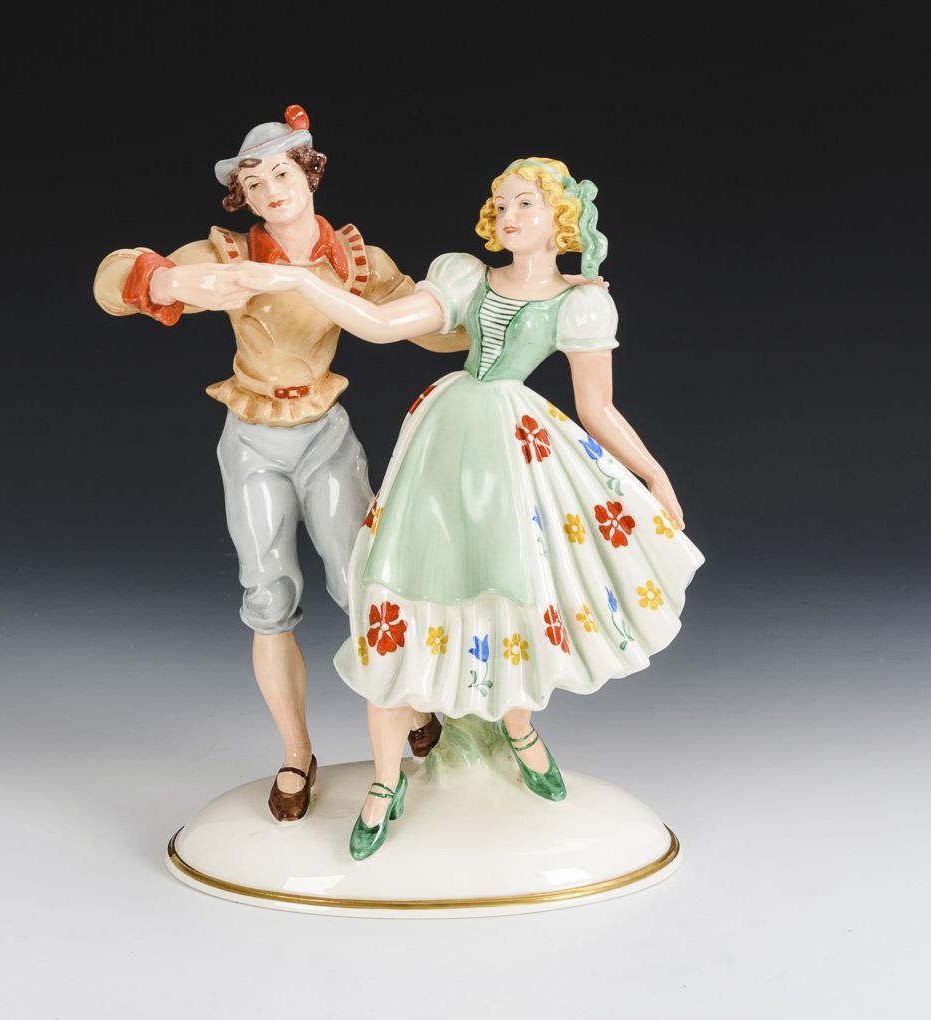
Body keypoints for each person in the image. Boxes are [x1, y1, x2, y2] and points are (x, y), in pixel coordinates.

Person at [236, 156, 704, 858]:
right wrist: (307, 279)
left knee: (505, 591)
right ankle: (386, 779)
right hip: (443, 441)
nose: (509, 216)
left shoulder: (581, 303)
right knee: (399, 589)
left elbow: (598, 408)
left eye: (526, 204)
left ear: (559, 219)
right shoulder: (466, 278)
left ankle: (517, 727)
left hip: (512, 450)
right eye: (501, 204)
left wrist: (655, 475)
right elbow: (380, 324)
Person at [92, 106, 465, 823]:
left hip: (324, 434)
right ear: (244, 198)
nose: (271, 190)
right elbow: (112, 279)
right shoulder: (229, 257)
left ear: (310, 174)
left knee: (363, 583)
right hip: (253, 437)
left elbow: (426, 323)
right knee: (267, 597)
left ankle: (409, 705)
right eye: (254, 183)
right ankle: (297, 753)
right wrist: (171, 285)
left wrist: (505, 315)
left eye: (282, 174)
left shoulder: (356, 261)